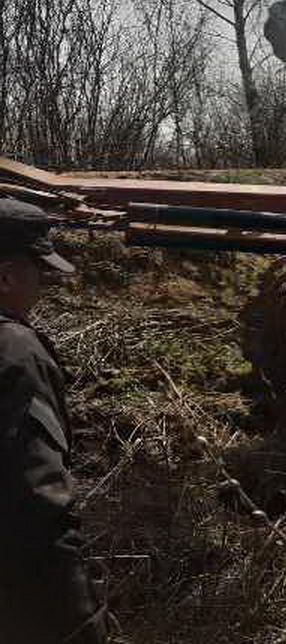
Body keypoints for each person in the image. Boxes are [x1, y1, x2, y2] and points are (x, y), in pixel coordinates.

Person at [0, 198, 107, 642]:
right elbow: (35, 504)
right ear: (6, 275)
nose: (43, 286)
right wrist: (79, 623)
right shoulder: (14, 353)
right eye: (39, 272)